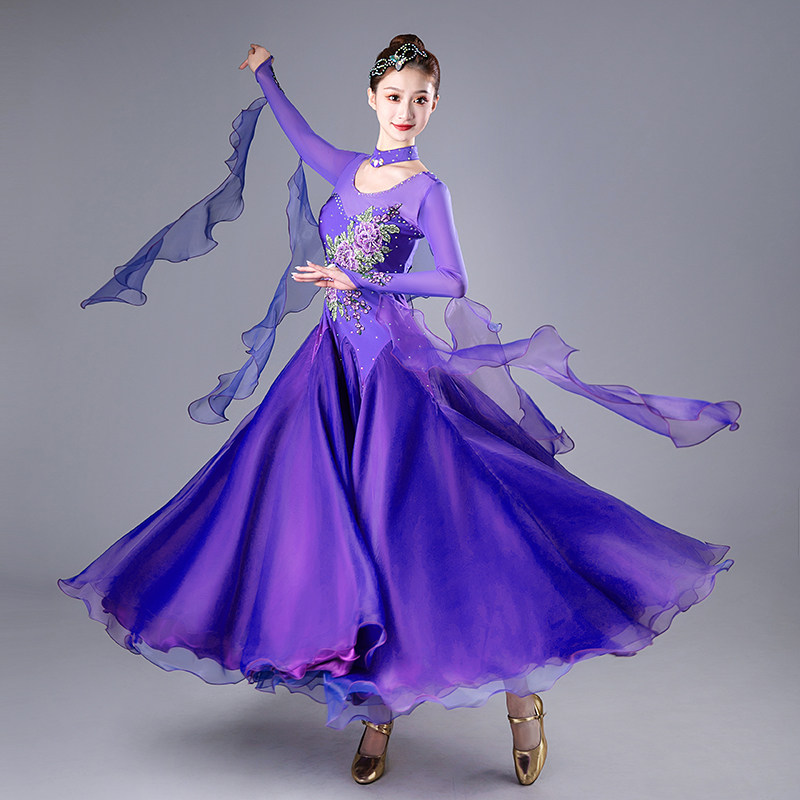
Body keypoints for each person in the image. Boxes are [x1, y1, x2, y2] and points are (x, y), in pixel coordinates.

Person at [59, 34, 740, 787]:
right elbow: (297, 133)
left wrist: (362, 279)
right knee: (326, 530)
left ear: (434, 105)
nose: (406, 110)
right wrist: (267, 74)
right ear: (373, 99)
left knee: (448, 529)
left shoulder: (427, 191)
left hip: (391, 365)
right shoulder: (347, 168)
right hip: (329, 369)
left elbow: (451, 281)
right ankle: (375, 710)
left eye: (421, 98)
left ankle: (521, 703)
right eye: (395, 97)